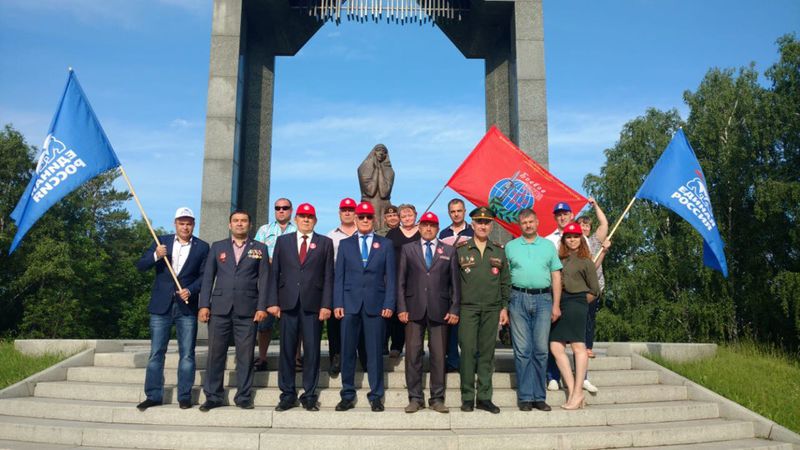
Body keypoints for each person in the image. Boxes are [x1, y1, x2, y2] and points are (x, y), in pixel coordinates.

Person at [135, 207, 210, 411]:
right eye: (181, 223)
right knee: (156, 353)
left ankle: (184, 396)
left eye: (188, 223)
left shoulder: (202, 247)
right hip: (161, 307)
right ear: (175, 223)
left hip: (186, 308)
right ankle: (153, 395)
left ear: (193, 224)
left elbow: (205, 277)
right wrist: (156, 256)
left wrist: (191, 290)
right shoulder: (161, 242)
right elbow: (140, 266)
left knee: (187, 354)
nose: (185, 226)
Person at [197, 210, 270, 411]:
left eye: (244, 221)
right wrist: (204, 305)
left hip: (248, 310)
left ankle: (244, 396)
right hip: (219, 309)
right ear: (230, 225)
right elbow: (207, 278)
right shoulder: (217, 247)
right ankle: (213, 396)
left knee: (245, 355)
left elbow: (264, 280)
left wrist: (262, 307)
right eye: (236, 221)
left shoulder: (260, 249)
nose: (240, 224)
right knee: (215, 354)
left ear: (250, 225)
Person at [267, 203, 334, 412]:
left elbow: (328, 276)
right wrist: (272, 301)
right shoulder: (283, 241)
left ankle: (310, 394)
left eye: (310, 216)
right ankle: (287, 394)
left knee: (312, 351)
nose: (306, 219)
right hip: (287, 304)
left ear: (315, 220)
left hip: (313, 305)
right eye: (302, 216)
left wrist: (326, 304)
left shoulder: (325, 243)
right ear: (296, 219)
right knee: (287, 351)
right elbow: (274, 273)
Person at [333, 201, 396, 412]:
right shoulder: (345, 244)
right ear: (356, 219)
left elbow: (391, 277)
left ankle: (376, 395)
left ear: (375, 220)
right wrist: (338, 302)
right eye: (362, 217)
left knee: (374, 353)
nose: (365, 220)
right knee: (348, 351)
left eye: (369, 217)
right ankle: (347, 394)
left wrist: (389, 303)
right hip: (350, 304)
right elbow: (339, 277)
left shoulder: (385, 244)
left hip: (376, 305)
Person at [397, 212, 460, 414]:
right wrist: (402, 308)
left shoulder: (448, 250)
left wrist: (454, 308)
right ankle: (415, 398)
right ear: (419, 227)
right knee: (413, 355)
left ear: (437, 227)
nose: (428, 228)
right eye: (424, 225)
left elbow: (455, 284)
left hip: (440, 310)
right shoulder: (408, 249)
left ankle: (437, 398)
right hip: (413, 310)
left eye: (432, 225)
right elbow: (400, 282)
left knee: (439, 356)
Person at [503, 208, 562, 412]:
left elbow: (556, 276)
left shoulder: (548, 246)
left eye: (531, 222)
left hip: (544, 299)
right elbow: (504, 278)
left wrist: (556, 304)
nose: (527, 225)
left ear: (537, 222)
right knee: (522, 351)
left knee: (541, 350)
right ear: (520, 225)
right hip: (517, 298)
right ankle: (525, 396)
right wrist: (504, 307)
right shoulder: (510, 247)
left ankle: (539, 396)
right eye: (524, 222)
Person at [456, 206, 510, 414]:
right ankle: (468, 397)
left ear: (491, 225)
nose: (483, 225)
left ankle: (485, 397)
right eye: (479, 222)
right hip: (467, 309)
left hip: (491, 309)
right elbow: (453, 283)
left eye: (486, 222)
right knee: (468, 352)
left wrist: (504, 308)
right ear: (472, 224)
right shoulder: (461, 249)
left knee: (487, 354)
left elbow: (505, 282)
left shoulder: (498, 250)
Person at [550, 222, 601, 410]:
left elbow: (595, 290)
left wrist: (579, 303)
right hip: (559, 302)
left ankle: (578, 392)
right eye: (569, 237)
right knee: (555, 346)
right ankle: (574, 391)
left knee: (579, 347)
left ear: (581, 239)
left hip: (577, 303)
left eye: (576, 236)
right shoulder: (559, 258)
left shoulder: (586, 261)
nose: (572, 240)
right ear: (564, 239)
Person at [253, 198, 297, 371]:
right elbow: (255, 252)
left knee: (294, 322)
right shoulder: (264, 230)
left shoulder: (297, 229)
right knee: (265, 323)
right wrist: (268, 260)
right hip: (268, 281)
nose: (281, 210)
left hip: (291, 282)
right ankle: (262, 358)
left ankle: (296, 357)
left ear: (291, 210)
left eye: (285, 208)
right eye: (278, 208)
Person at [326, 197, 366, 375]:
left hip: (361, 284)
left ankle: (364, 358)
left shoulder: (365, 232)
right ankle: (337, 357)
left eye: (351, 210)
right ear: (339, 212)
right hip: (339, 282)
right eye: (344, 210)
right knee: (336, 323)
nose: (348, 213)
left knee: (362, 323)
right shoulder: (331, 236)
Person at [437, 198, 474, 373]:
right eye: (453, 211)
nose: (456, 214)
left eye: (459, 210)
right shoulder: (443, 234)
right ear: (449, 213)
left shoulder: (473, 231)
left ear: (464, 211)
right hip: (450, 284)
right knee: (451, 325)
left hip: (469, 283)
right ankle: (452, 361)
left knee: (468, 327)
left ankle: (470, 362)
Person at [384, 203, 420, 357]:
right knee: (396, 313)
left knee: (416, 313)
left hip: (418, 280)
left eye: (409, 215)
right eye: (403, 216)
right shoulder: (392, 234)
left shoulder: (423, 231)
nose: (407, 218)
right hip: (396, 278)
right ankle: (396, 346)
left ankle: (416, 346)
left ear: (415, 215)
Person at [575, 197, 609, 359]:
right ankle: (576, 342)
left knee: (589, 317)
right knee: (577, 316)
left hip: (593, 287)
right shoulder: (572, 242)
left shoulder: (594, 241)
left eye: (587, 225)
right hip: (576, 286)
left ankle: (588, 346)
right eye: (581, 224)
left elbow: (604, 224)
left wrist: (595, 205)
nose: (584, 228)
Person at [358, 144, 394, 230]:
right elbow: (370, 191)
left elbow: (384, 192)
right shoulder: (363, 168)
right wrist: (376, 170)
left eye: (384, 152)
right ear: (374, 152)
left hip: (384, 207)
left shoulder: (390, 171)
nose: (381, 153)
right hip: (369, 206)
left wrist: (380, 170)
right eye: (379, 150)